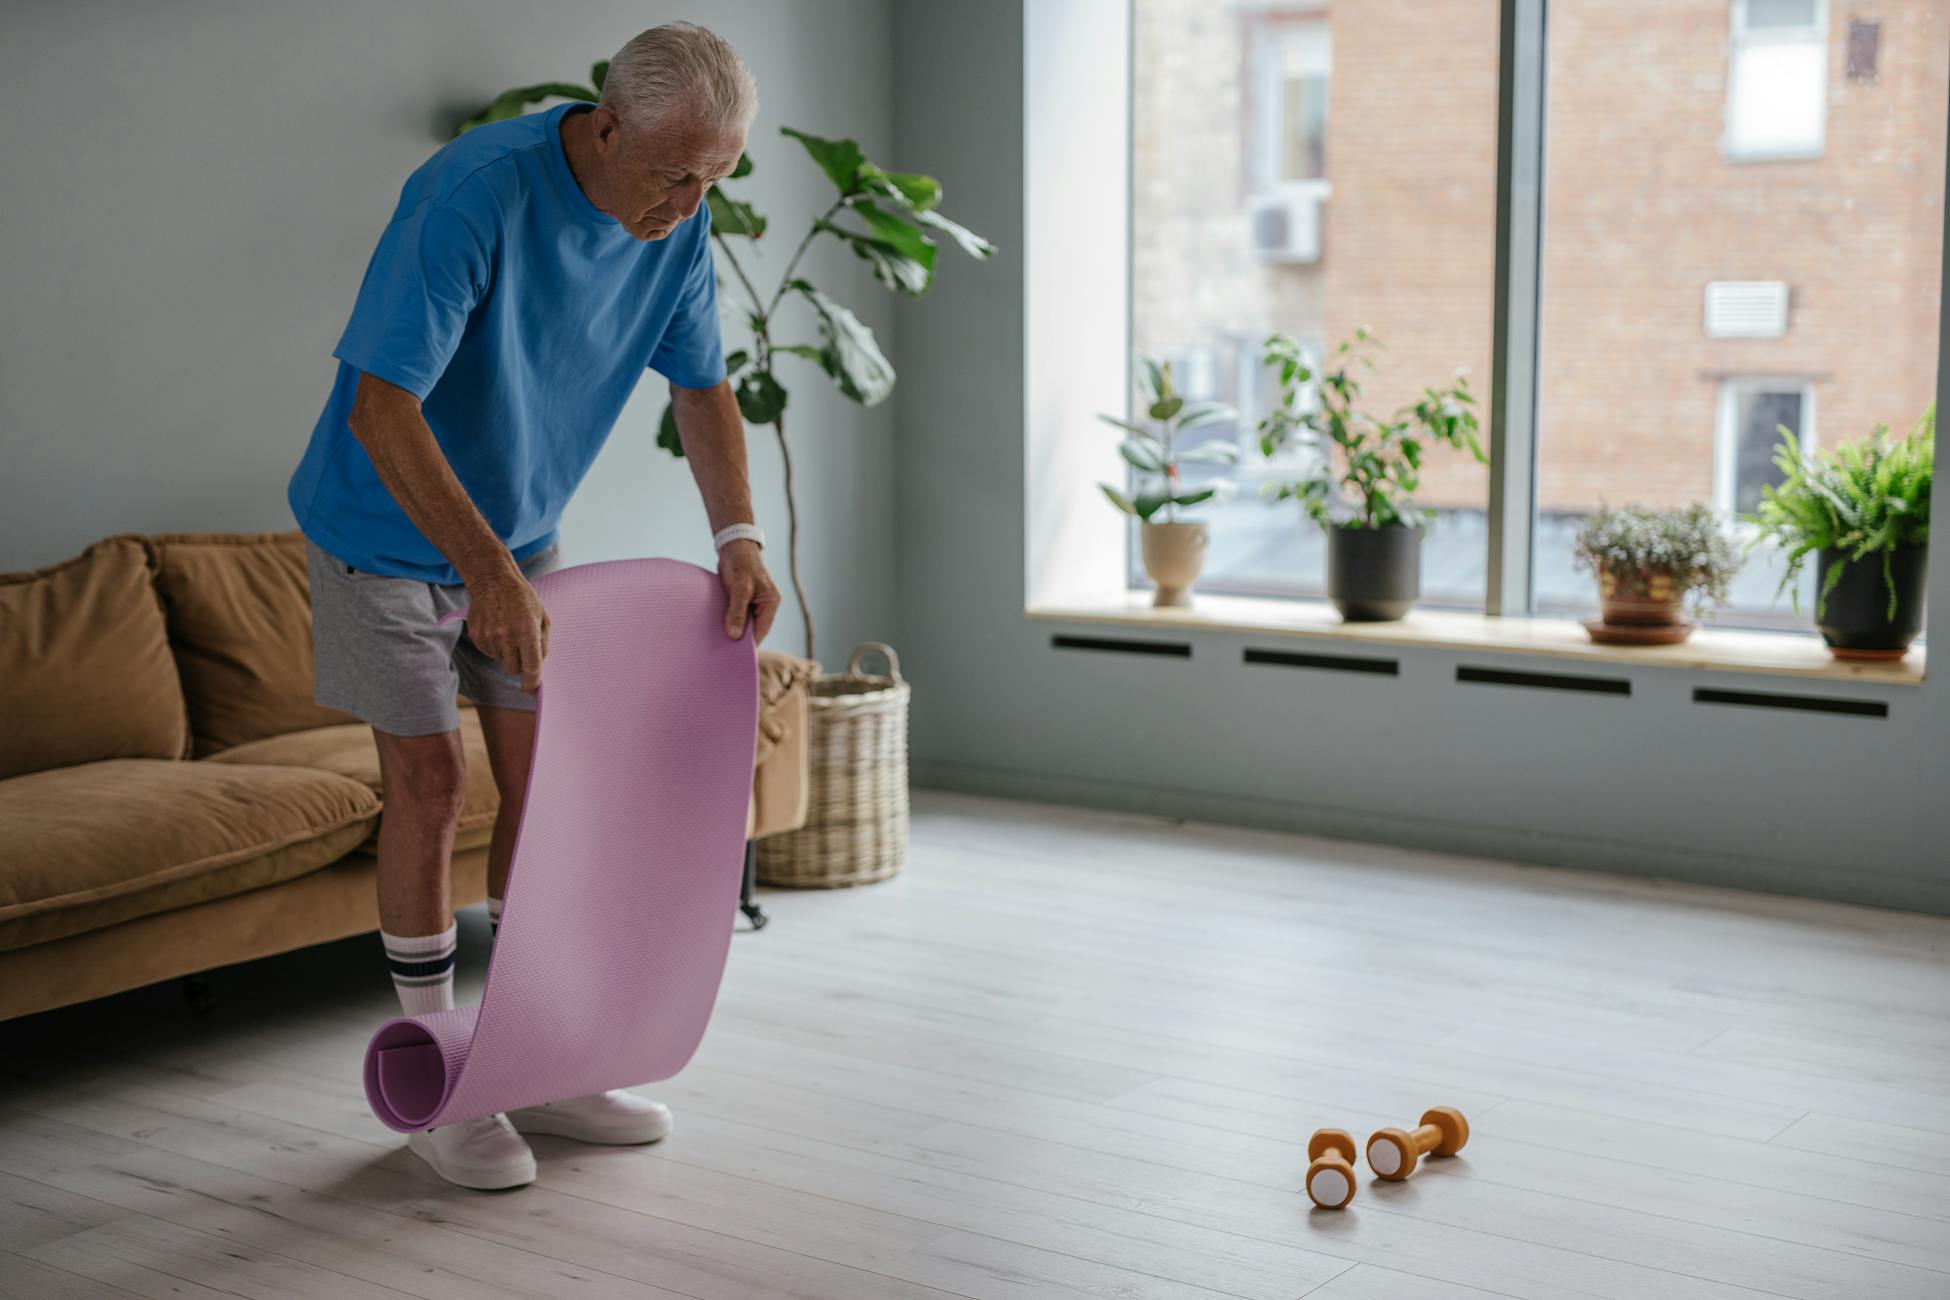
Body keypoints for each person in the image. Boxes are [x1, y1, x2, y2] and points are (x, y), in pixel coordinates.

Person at [286, 22, 780, 1189]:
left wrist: (739, 536)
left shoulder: (681, 215)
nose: (688, 202)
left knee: (549, 788)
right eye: (673, 174)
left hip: (518, 537)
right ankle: (442, 1074)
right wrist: (493, 573)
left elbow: (703, 388)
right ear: (607, 127)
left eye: (715, 176)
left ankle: (539, 1055)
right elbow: (381, 410)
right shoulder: (472, 196)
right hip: (381, 537)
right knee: (430, 784)